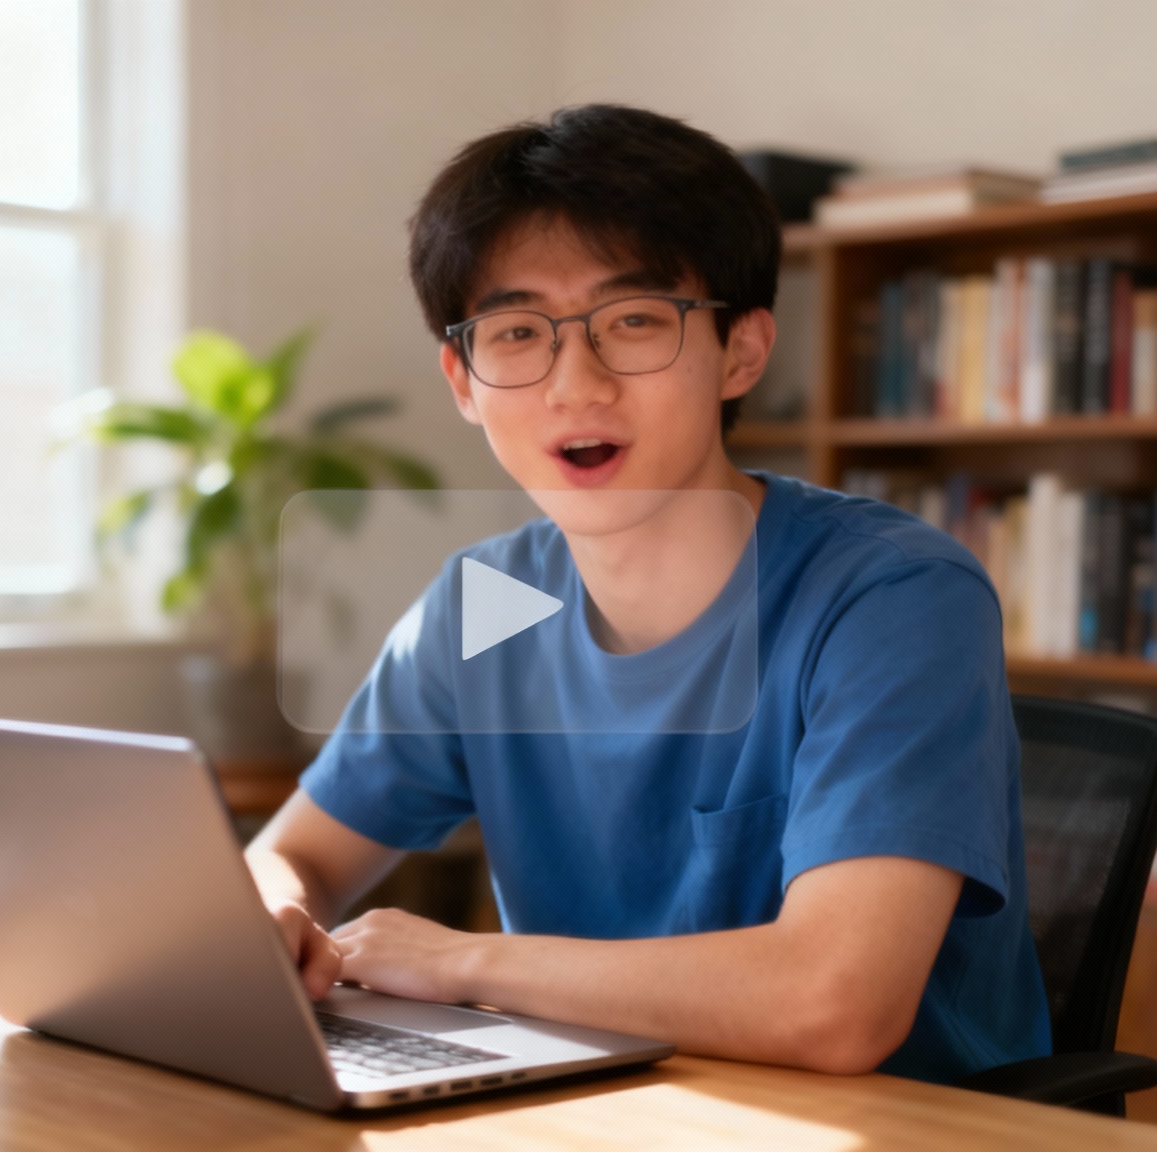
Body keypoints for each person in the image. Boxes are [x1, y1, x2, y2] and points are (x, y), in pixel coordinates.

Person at [244, 104, 1050, 1082]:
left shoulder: (890, 597)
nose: (574, 384)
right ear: (462, 379)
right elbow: (300, 855)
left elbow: (831, 1005)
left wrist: (460, 961)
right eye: (515, 332)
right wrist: (273, 915)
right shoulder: (484, 606)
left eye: (632, 323)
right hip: (600, 1106)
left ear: (740, 352)